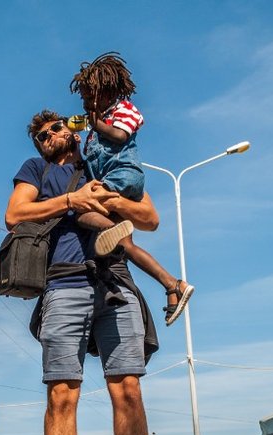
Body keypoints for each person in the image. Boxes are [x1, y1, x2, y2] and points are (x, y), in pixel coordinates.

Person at [5, 109, 163, 435]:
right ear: (38, 146)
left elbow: (148, 217)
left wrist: (107, 203)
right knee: (61, 396)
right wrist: (73, 201)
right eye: (41, 134)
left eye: (55, 128)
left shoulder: (101, 158)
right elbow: (16, 213)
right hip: (63, 284)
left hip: (114, 282)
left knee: (129, 392)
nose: (51, 135)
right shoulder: (38, 171)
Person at [67, 52, 193, 326]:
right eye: (84, 99)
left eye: (91, 96)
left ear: (109, 91)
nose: (87, 102)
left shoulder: (124, 110)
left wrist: (95, 122)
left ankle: (109, 231)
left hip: (125, 177)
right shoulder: (95, 127)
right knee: (124, 245)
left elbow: (119, 135)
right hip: (113, 180)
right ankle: (173, 285)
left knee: (81, 209)